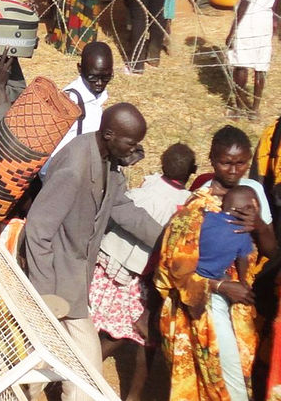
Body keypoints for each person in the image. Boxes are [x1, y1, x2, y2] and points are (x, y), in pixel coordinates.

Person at [25, 103, 164, 401]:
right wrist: (45, 296)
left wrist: (167, 237)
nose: (134, 150)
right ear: (110, 134)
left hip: (73, 280)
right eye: (131, 143)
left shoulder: (107, 160)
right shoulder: (76, 167)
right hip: (58, 282)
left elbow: (122, 207)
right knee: (86, 374)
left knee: (44, 358)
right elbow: (38, 228)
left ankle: (28, 389)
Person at [156, 127, 276, 401]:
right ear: (212, 159)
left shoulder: (253, 191)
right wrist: (222, 285)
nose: (234, 170)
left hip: (242, 303)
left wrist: (257, 225)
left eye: (241, 163)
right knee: (224, 378)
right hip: (202, 304)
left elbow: (271, 249)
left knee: (237, 370)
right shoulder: (198, 205)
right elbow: (173, 267)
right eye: (226, 162)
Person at [88, 143, 196, 401]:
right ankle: (90, 366)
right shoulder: (185, 205)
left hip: (108, 260)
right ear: (193, 171)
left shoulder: (147, 186)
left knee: (95, 318)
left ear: (161, 163)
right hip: (137, 274)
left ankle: (79, 363)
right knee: (130, 329)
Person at [226, 0, 281, 119]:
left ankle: (239, 107)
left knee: (241, 64)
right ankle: (254, 109)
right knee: (260, 65)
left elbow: (245, 2)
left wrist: (232, 31)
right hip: (265, 18)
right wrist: (276, 20)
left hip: (249, 19)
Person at [47, 42, 113, 162]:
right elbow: (51, 149)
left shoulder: (97, 95)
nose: (99, 83)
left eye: (106, 78)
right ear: (80, 69)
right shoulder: (70, 101)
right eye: (93, 77)